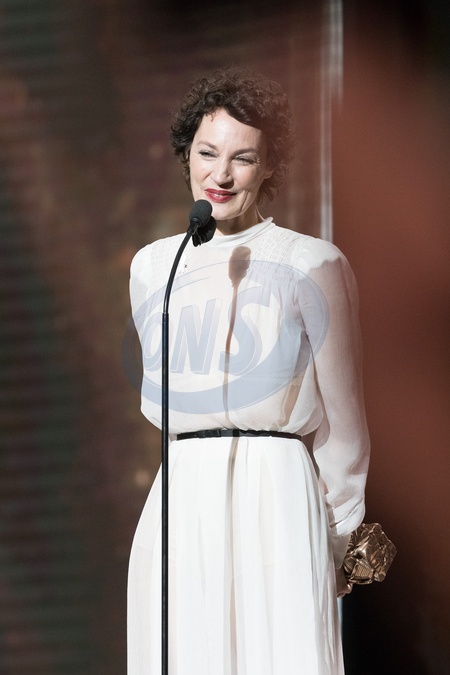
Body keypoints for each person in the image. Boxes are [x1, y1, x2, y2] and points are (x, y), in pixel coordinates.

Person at [127, 67, 370, 675]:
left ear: (268, 167)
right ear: (186, 155)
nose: (221, 174)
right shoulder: (154, 266)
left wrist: (335, 537)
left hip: (277, 492)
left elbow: (345, 429)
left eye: (243, 158)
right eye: (207, 153)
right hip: (181, 494)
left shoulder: (313, 263)